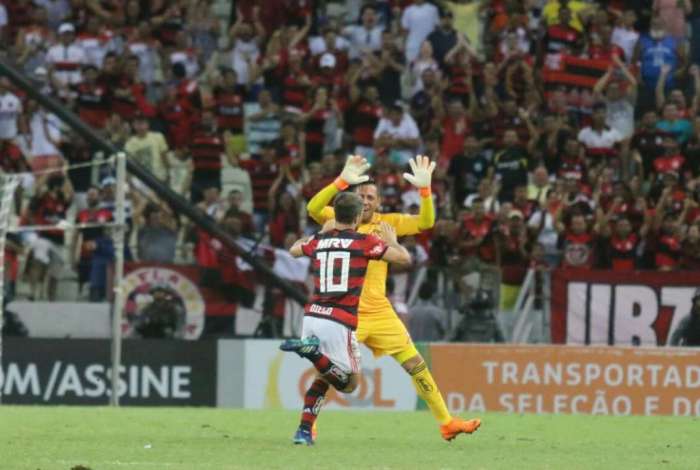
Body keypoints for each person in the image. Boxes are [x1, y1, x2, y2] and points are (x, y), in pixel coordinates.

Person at [306, 155, 481, 441]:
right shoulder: (338, 220)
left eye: (370, 196)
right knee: (333, 371)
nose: (365, 200)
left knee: (414, 363)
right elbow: (312, 207)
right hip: (347, 313)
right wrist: (340, 181)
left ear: (378, 203)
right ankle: (308, 423)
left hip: (381, 312)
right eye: (360, 195)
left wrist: (425, 191)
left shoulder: (388, 223)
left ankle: (447, 422)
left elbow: (426, 221)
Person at [281, 191, 413, 445]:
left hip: (312, 316)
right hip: (339, 321)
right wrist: (393, 240)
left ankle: (303, 431)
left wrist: (314, 235)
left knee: (323, 377)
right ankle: (312, 353)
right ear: (356, 217)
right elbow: (404, 259)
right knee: (349, 385)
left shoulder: (319, 241)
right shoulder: (364, 242)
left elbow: (293, 249)